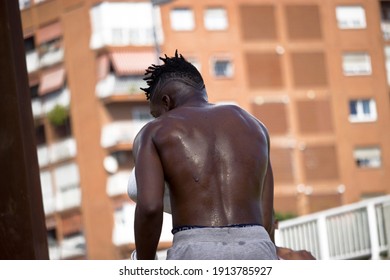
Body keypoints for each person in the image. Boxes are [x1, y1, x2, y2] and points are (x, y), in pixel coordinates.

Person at [132, 50, 278, 260]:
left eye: (156, 113)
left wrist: (143, 265)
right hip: (258, 247)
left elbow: (150, 207)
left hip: (196, 250)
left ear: (166, 102)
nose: (157, 118)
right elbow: (266, 217)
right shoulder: (255, 127)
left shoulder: (154, 131)